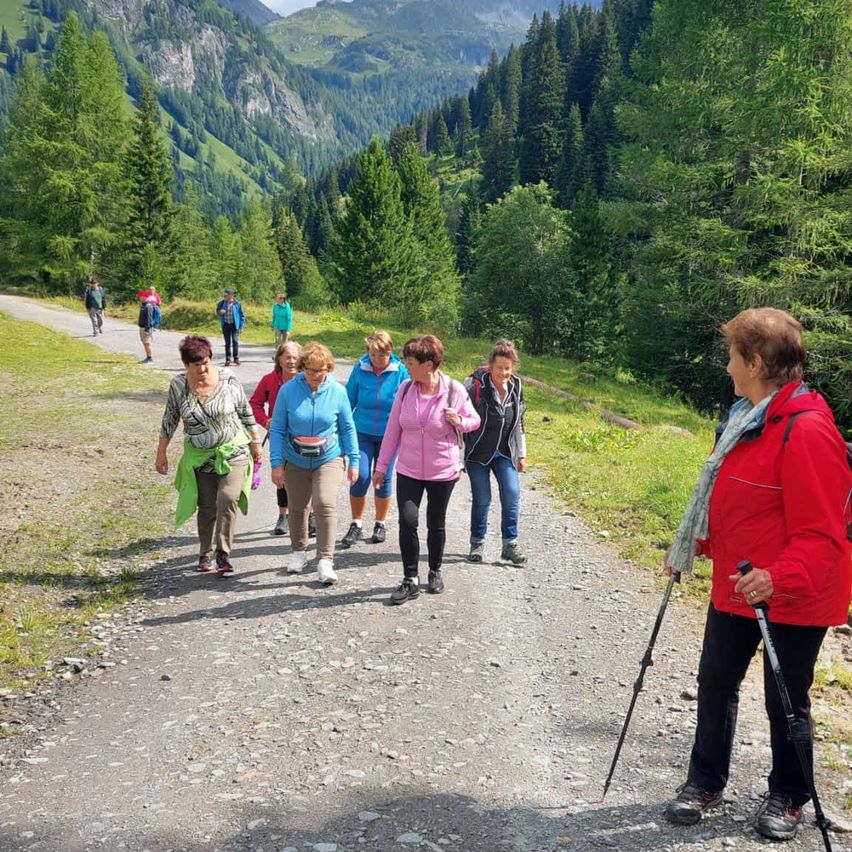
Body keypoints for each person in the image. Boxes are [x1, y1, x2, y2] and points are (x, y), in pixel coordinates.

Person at [663, 308, 851, 841]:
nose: (726, 367)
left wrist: (778, 576)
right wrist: (699, 542)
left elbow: (824, 535)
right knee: (716, 681)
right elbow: (743, 503)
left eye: (732, 357)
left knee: (785, 697)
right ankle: (704, 782)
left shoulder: (808, 431)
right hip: (738, 585)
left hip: (793, 594)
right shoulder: (747, 418)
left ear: (756, 361)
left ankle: (789, 795)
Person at [373, 335, 480, 604]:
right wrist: (382, 466)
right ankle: (410, 579)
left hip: (442, 471)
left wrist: (459, 421)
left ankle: (435, 570)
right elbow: (393, 430)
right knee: (408, 520)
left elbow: (474, 420)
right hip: (408, 468)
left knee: (436, 522)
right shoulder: (406, 389)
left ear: (429, 364)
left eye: (410, 362)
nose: (406, 366)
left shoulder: (454, 390)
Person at [156, 335, 262, 576]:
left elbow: (245, 411)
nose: (203, 368)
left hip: (233, 450)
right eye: (196, 365)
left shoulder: (228, 379)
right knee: (206, 506)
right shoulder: (178, 385)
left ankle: (223, 553)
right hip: (199, 455)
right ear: (186, 365)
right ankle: (205, 552)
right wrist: (161, 452)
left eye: (206, 362)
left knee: (227, 499)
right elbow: (170, 419)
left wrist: (255, 441)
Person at [269, 342, 359, 585]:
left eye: (321, 371)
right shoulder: (288, 391)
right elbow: (277, 428)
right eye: (310, 370)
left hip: (328, 457)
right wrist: (276, 463)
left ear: (328, 368)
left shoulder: (338, 392)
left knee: (325, 503)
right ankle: (299, 551)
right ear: (302, 368)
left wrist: (354, 460)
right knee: (298, 507)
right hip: (295, 458)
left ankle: (325, 560)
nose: (316, 376)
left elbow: (347, 427)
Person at [341, 331, 410, 548]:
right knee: (360, 476)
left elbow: (409, 404)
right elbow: (347, 401)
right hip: (361, 432)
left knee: (382, 479)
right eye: (373, 354)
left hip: (389, 435)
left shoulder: (401, 373)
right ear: (367, 352)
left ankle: (380, 523)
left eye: (383, 355)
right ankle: (356, 523)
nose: (378, 359)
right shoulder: (359, 369)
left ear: (390, 352)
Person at [464, 339, 527, 565]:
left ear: (513, 368)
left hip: (504, 451)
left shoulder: (516, 387)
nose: (503, 372)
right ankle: (477, 543)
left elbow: (519, 423)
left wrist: (521, 455)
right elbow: (460, 419)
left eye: (507, 368)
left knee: (511, 494)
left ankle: (509, 545)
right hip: (478, 453)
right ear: (491, 366)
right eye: (499, 368)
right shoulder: (474, 387)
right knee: (483, 498)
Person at [250, 340, 303, 536]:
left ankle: (312, 515)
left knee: (308, 472)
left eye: (295, 358)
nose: (291, 361)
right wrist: (265, 421)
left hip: (304, 435)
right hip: (279, 435)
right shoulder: (269, 380)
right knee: (281, 474)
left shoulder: (307, 379)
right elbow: (254, 404)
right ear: (279, 359)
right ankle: (284, 515)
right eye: (287, 357)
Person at [216, 288, 246, 367]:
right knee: (227, 343)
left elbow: (242, 316)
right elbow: (217, 311)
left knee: (235, 341)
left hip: (234, 325)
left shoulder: (237, 304)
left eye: (226, 294)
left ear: (231, 295)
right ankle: (228, 359)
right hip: (225, 324)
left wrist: (241, 326)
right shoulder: (221, 303)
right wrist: (220, 312)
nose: (225, 296)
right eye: (225, 295)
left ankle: (236, 358)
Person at [138, 294, 160, 365]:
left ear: (145, 297)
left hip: (146, 327)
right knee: (145, 343)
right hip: (143, 327)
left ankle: (150, 359)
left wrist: (147, 329)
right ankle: (148, 357)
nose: (140, 298)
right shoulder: (144, 306)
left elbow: (148, 318)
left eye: (141, 297)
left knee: (147, 343)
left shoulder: (148, 306)